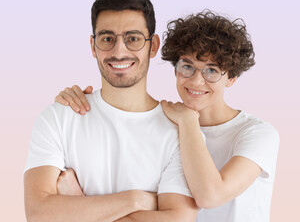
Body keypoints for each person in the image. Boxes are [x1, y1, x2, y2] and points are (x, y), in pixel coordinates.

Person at [56, 11, 280, 222]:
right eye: (187, 66)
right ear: (175, 69)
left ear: (231, 77)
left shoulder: (257, 134)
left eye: (211, 70)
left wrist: (79, 206)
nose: (195, 81)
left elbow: (210, 196)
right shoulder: (162, 125)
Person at [24, 0, 198, 222]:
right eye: (107, 39)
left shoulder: (181, 132)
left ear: (153, 46)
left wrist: (77, 202)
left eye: (133, 38)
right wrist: (136, 199)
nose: (119, 51)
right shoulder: (59, 118)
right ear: (93, 46)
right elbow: (38, 213)